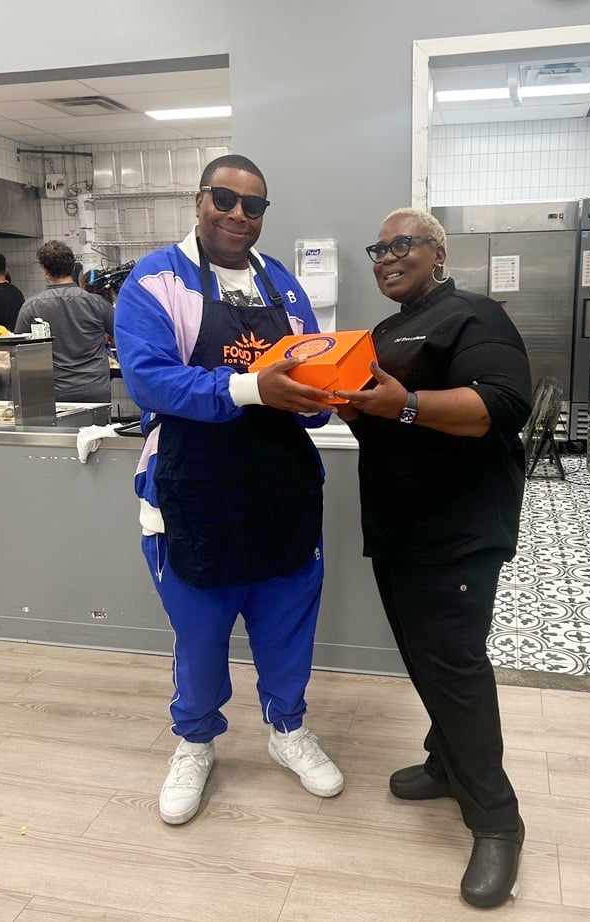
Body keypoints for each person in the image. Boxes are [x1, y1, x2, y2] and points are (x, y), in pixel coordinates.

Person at [113, 153, 344, 826]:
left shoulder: (283, 287)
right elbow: (151, 380)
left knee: (287, 621)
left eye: (254, 206)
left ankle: (287, 730)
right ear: (199, 199)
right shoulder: (155, 281)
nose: (239, 215)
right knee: (201, 630)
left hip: (282, 486)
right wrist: (250, 387)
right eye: (225, 199)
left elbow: (312, 377)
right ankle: (194, 741)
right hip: (193, 489)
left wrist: (325, 396)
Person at [335, 208, 532, 909]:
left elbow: (500, 406)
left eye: (401, 244)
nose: (386, 256)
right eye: (377, 247)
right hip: (397, 526)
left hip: (457, 528)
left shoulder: (474, 316)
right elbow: (391, 419)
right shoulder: (383, 333)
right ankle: (445, 764)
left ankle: (496, 820)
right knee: (425, 657)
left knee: (452, 663)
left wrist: (405, 405)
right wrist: (360, 411)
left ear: (436, 252)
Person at [14, 241, 114, 404]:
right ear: (73, 267)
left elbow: (20, 351)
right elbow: (122, 337)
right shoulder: (97, 303)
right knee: (98, 431)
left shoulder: (31, 308)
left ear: (45, 270)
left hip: (55, 392)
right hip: (95, 389)